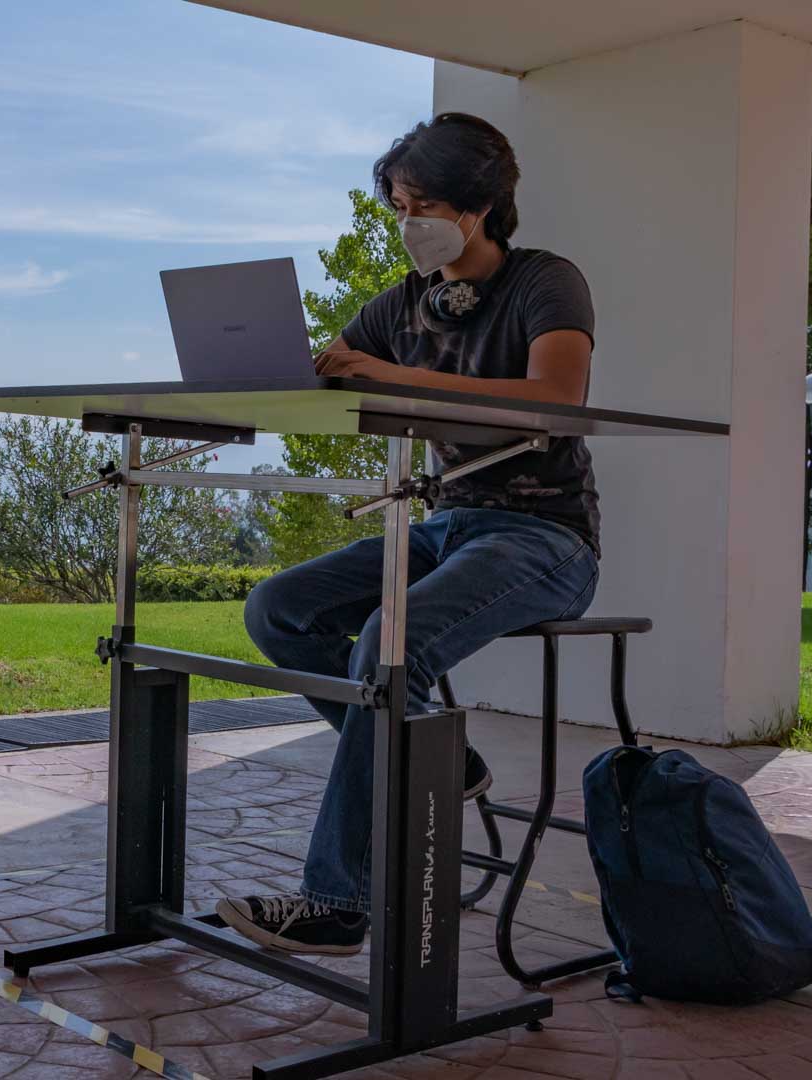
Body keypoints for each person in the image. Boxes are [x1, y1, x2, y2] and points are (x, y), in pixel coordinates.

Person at [216, 112, 601, 956]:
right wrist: (269, 371)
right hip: (446, 524)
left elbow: (558, 400)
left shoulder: (545, 282)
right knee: (278, 611)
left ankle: (337, 902)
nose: (407, 221)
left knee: (390, 641)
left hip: (544, 537)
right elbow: (332, 365)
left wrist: (390, 373)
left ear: (479, 204)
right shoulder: (404, 302)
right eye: (398, 203)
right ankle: (436, 755)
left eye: (421, 202)